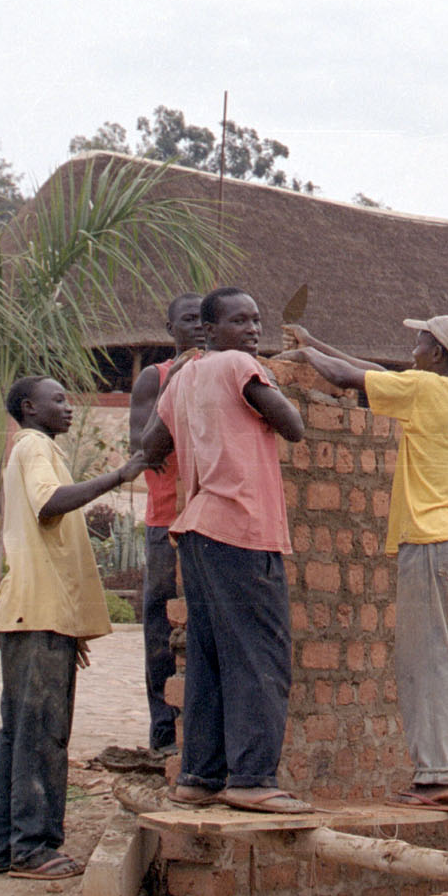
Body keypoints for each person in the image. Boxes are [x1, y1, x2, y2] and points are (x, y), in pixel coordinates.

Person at [285, 316, 448, 809]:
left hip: (431, 542)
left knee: (426, 662)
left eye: (420, 338)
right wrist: (318, 341)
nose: (413, 344)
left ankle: (437, 778)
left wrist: (302, 355)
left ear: (437, 352)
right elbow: (374, 371)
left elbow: (346, 378)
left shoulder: (421, 390)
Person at [139, 286, 308, 814]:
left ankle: (199, 775)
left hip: (196, 531)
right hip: (242, 527)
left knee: (210, 660)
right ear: (210, 332)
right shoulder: (237, 365)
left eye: (257, 320)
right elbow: (294, 426)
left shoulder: (182, 377)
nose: (253, 330)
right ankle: (253, 779)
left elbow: (150, 447)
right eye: (240, 321)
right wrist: (267, 382)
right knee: (261, 657)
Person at [0, 376, 149, 879]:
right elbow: (50, 502)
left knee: (20, 735)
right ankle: (33, 848)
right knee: (41, 734)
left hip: (34, 613)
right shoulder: (34, 446)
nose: (69, 407)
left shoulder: (34, 448)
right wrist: (121, 475)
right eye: (58, 399)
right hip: (37, 612)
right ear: (30, 408)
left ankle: (4, 847)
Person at [128, 292, 206, 755]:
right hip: (165, 519)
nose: (197, 327)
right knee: (160, 627)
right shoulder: (153, 378)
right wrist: (173, 383)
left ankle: (196, 732)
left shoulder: (225, 373)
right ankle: (163, 731)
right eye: (188, 320)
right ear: (170, 328)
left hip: (213, 520)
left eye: (204, 319)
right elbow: (143, 450)